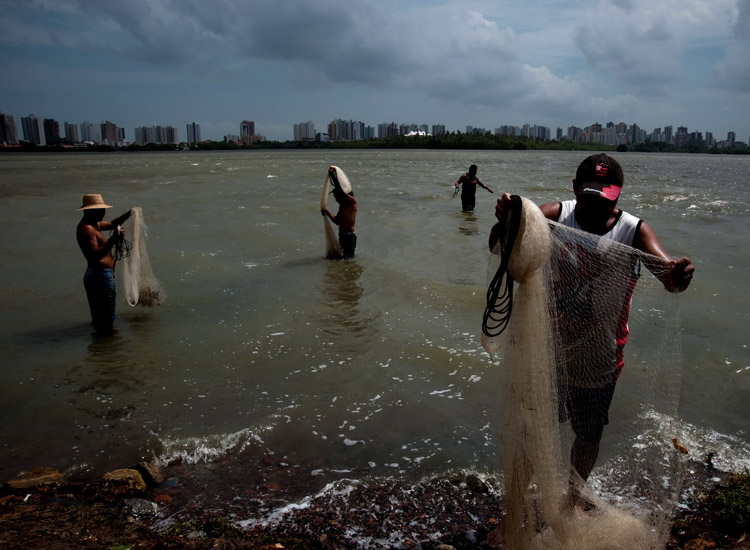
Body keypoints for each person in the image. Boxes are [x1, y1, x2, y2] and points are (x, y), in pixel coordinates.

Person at [489, 153, 694, 510]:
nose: (598, 203)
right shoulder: (554, 215)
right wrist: (508, 220)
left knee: (587, 435)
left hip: (599, 358)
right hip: (548, 352)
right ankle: (516, 506)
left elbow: (666, 274)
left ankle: (570, 501)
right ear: (574, 190)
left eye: (607, 196)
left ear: (618, 195)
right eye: (590, 195)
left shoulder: (632, 230)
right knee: (532, 430)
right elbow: (501, 247)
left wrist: (676, 273)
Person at [76, 193, 132, 336]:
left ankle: (99, 352)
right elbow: (95, 255)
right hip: (99, 277)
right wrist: (114, 239)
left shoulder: (95, 224)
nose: (103, 212)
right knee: (107, 322)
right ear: (89, 211)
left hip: (98, 276)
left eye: (103, 210)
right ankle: (110, 352)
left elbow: (114, 224)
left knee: (100, 321)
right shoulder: (86, 228)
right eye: (99, 210)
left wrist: (130, 213)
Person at [321, 166, 358, 258]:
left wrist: (333, 176)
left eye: (337, 198)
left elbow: (341, 191)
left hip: (349, 236)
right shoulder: (342, 207)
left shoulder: (351, 202)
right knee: (343, 259)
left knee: (347, 259)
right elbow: (337, 221)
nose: (336, 200)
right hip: (342, 236)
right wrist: (327, 212)